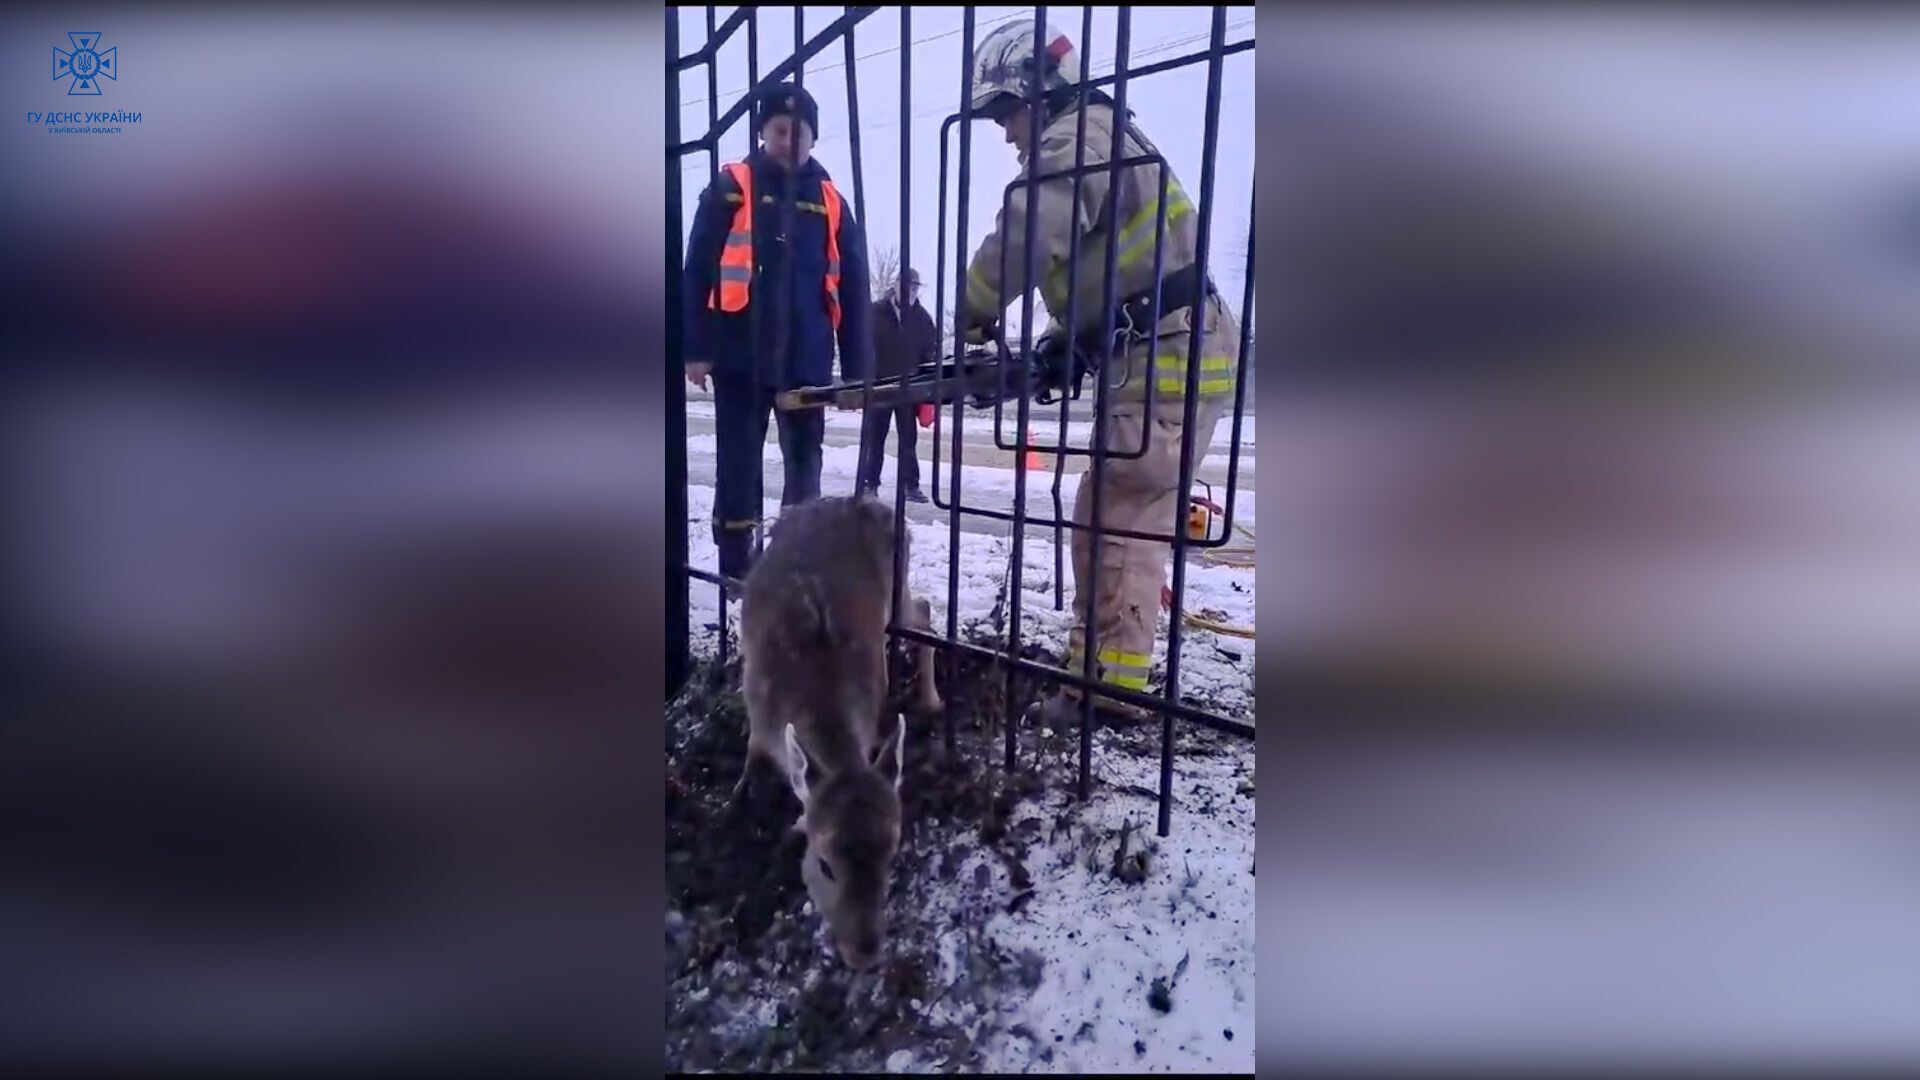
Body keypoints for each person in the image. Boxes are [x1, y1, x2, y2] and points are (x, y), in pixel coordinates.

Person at [953, 23, 1240, 726]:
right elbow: (1115, 272)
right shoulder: (1105, 134)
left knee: (1120, 521)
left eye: (1005, 113)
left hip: (1167, 355)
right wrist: (1064, 339)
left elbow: (1030, 234)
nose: (1006, 134)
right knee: (1105, 516)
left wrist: (971, 307)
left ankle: (1109, 697)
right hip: (1169, 345)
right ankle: (1095, 676)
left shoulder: (1077, 139)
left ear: (1038, 94)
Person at [682, 82, 873, 580]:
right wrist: (696, 347)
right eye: (780, 130)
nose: (791, 140)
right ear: (764, 132)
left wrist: (857, 373)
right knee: (738, 468)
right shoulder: (733, 185)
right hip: (740, 355)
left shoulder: (830, 200)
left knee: (804, 468)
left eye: (800, 131)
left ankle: (794, 566)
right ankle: (736, 572)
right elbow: (697, 269)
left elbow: (853, 287)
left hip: (807, 362)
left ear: (813, 136)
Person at [857, 267, 938, 502]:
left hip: (908, 389)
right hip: (879, 386)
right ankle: (869, 485)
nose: (910, 292)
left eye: (914, 288)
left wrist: (928, 390)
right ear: (895, 286)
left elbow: (929, 354)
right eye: (906, 286)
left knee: (908, 441)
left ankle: (910, 486)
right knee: (874, 440)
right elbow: (862, 346)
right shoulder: (875, 313)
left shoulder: (922, 319)